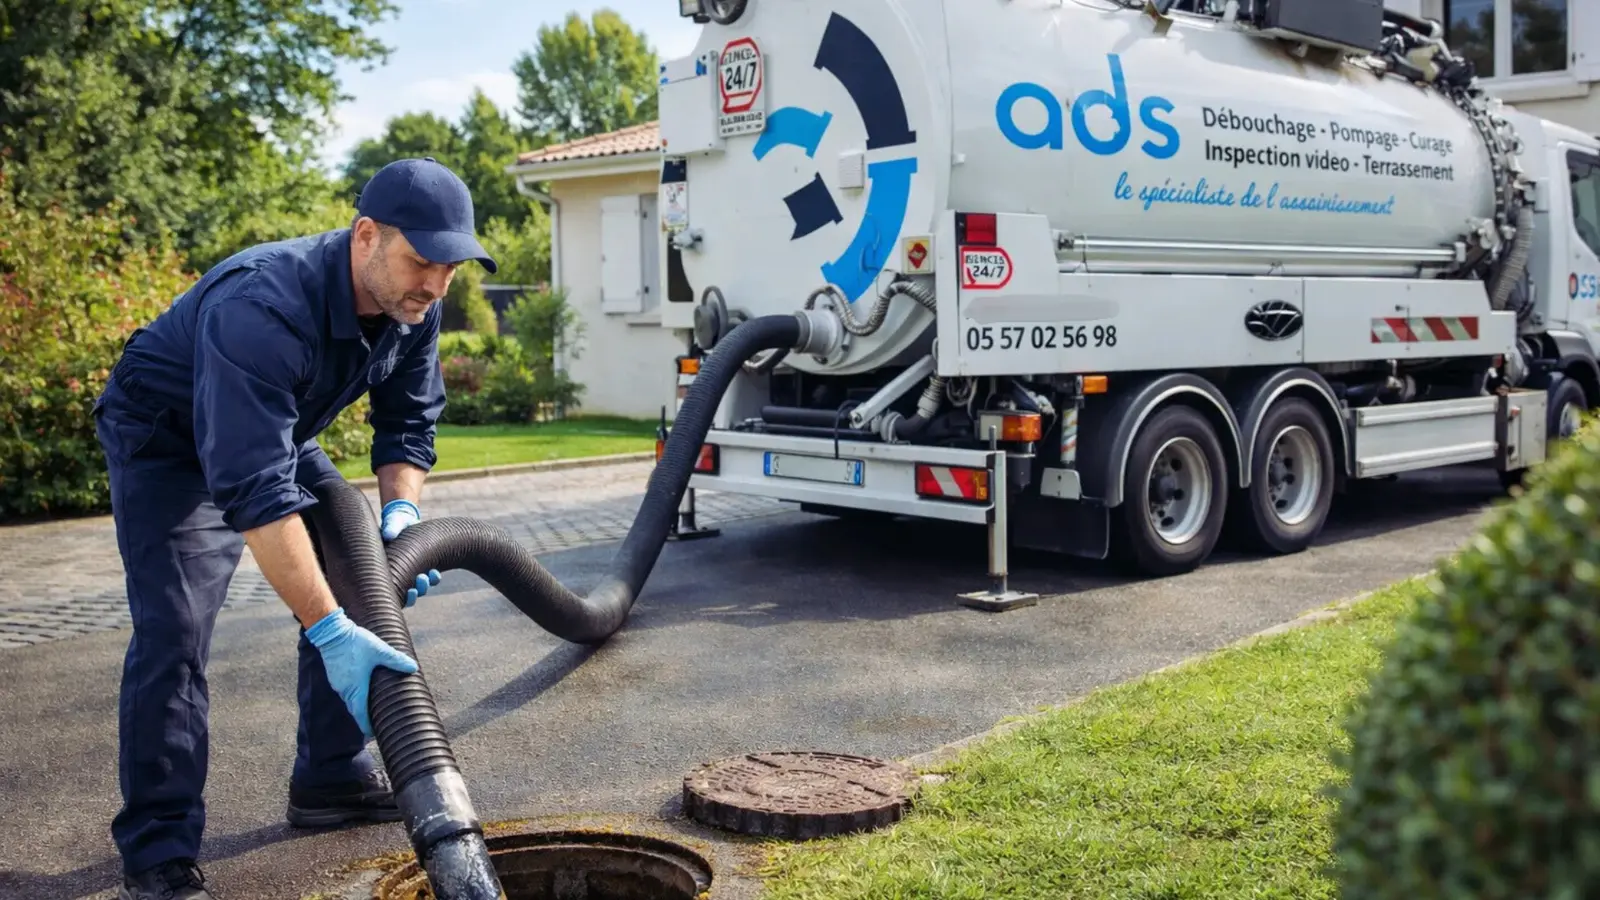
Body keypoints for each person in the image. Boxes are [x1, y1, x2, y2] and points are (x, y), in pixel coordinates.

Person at [91, 157, 498, 900]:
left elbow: (407, 423)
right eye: (422, 262)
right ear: (366, 235)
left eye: (450, 269)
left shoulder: (414, 306)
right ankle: (157, 850)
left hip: (271, 432)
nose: (436, 286)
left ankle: (330, 777)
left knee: (355, 568)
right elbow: (253, 492)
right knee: (175, 631)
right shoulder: (263, 304)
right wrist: (325, 626)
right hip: (167, 439)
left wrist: (401, 514)